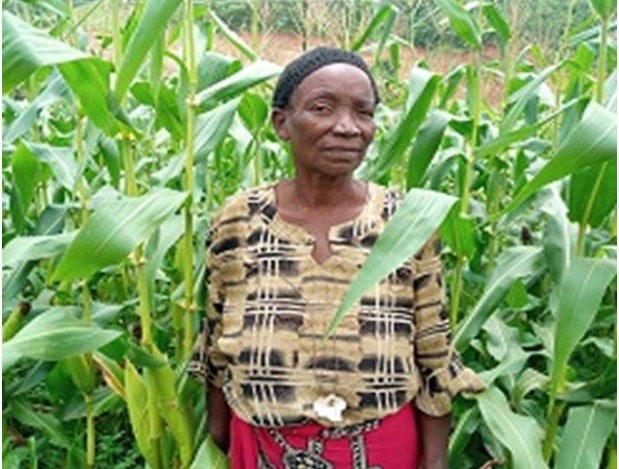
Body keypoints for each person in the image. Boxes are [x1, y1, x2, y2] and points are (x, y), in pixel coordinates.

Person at [189, 47, 484, 469]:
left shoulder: (406, 220)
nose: (347, 127)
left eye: (363, 112)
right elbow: (217, 337)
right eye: (322, 108)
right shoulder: (238, 218)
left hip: (381, 443)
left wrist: (434, 460)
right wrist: (222, 433)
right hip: (262, 442)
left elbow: (432, 349)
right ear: (281, 123)